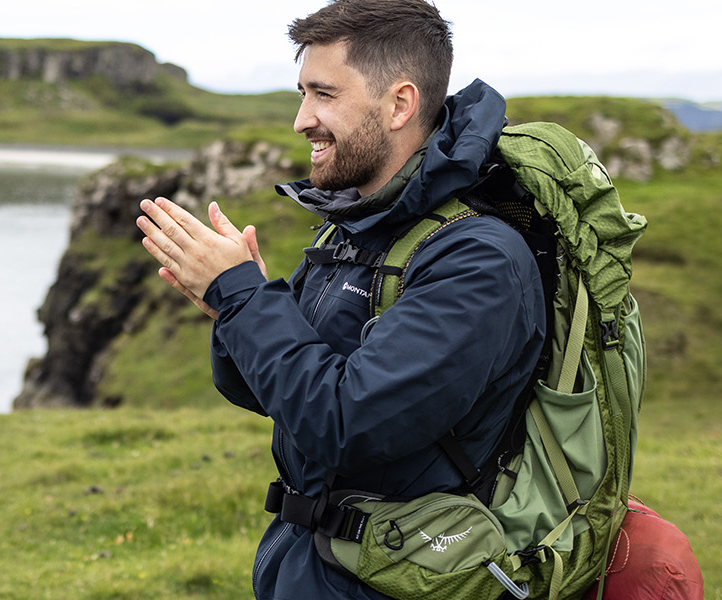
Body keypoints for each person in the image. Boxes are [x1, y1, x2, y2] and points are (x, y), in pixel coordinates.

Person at [134, 1, 542, 598]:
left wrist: (247, 300)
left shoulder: (478, 260)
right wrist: (236, 308)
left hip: (400, 577)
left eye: (324, 94)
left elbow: (345, 424)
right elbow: (266, 392)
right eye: (301, 93)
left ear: (400, 104)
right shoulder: (353, 227)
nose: (302, 120)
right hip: (315, 562)